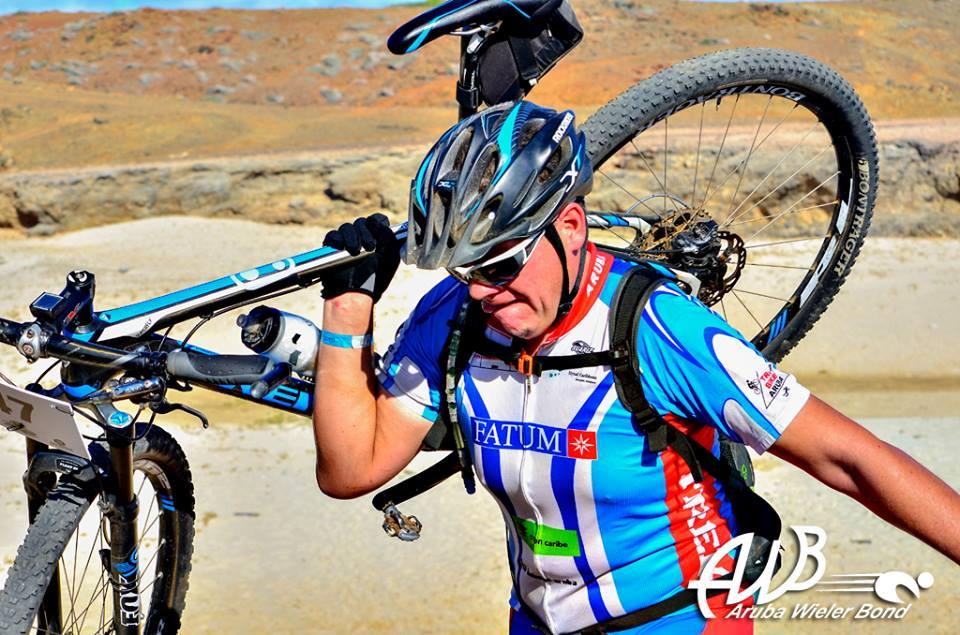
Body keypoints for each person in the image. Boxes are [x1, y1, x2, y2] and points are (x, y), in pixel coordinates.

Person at [311, 101, 960, 634]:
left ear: (569, 226)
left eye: (502, 265)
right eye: (465, 269)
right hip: (536, 619)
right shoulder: (452, 317)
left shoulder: (660, 331)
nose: (484, 292)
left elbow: (853, 458)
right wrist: (346, 311)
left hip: (679, 619)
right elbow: (353, 468)